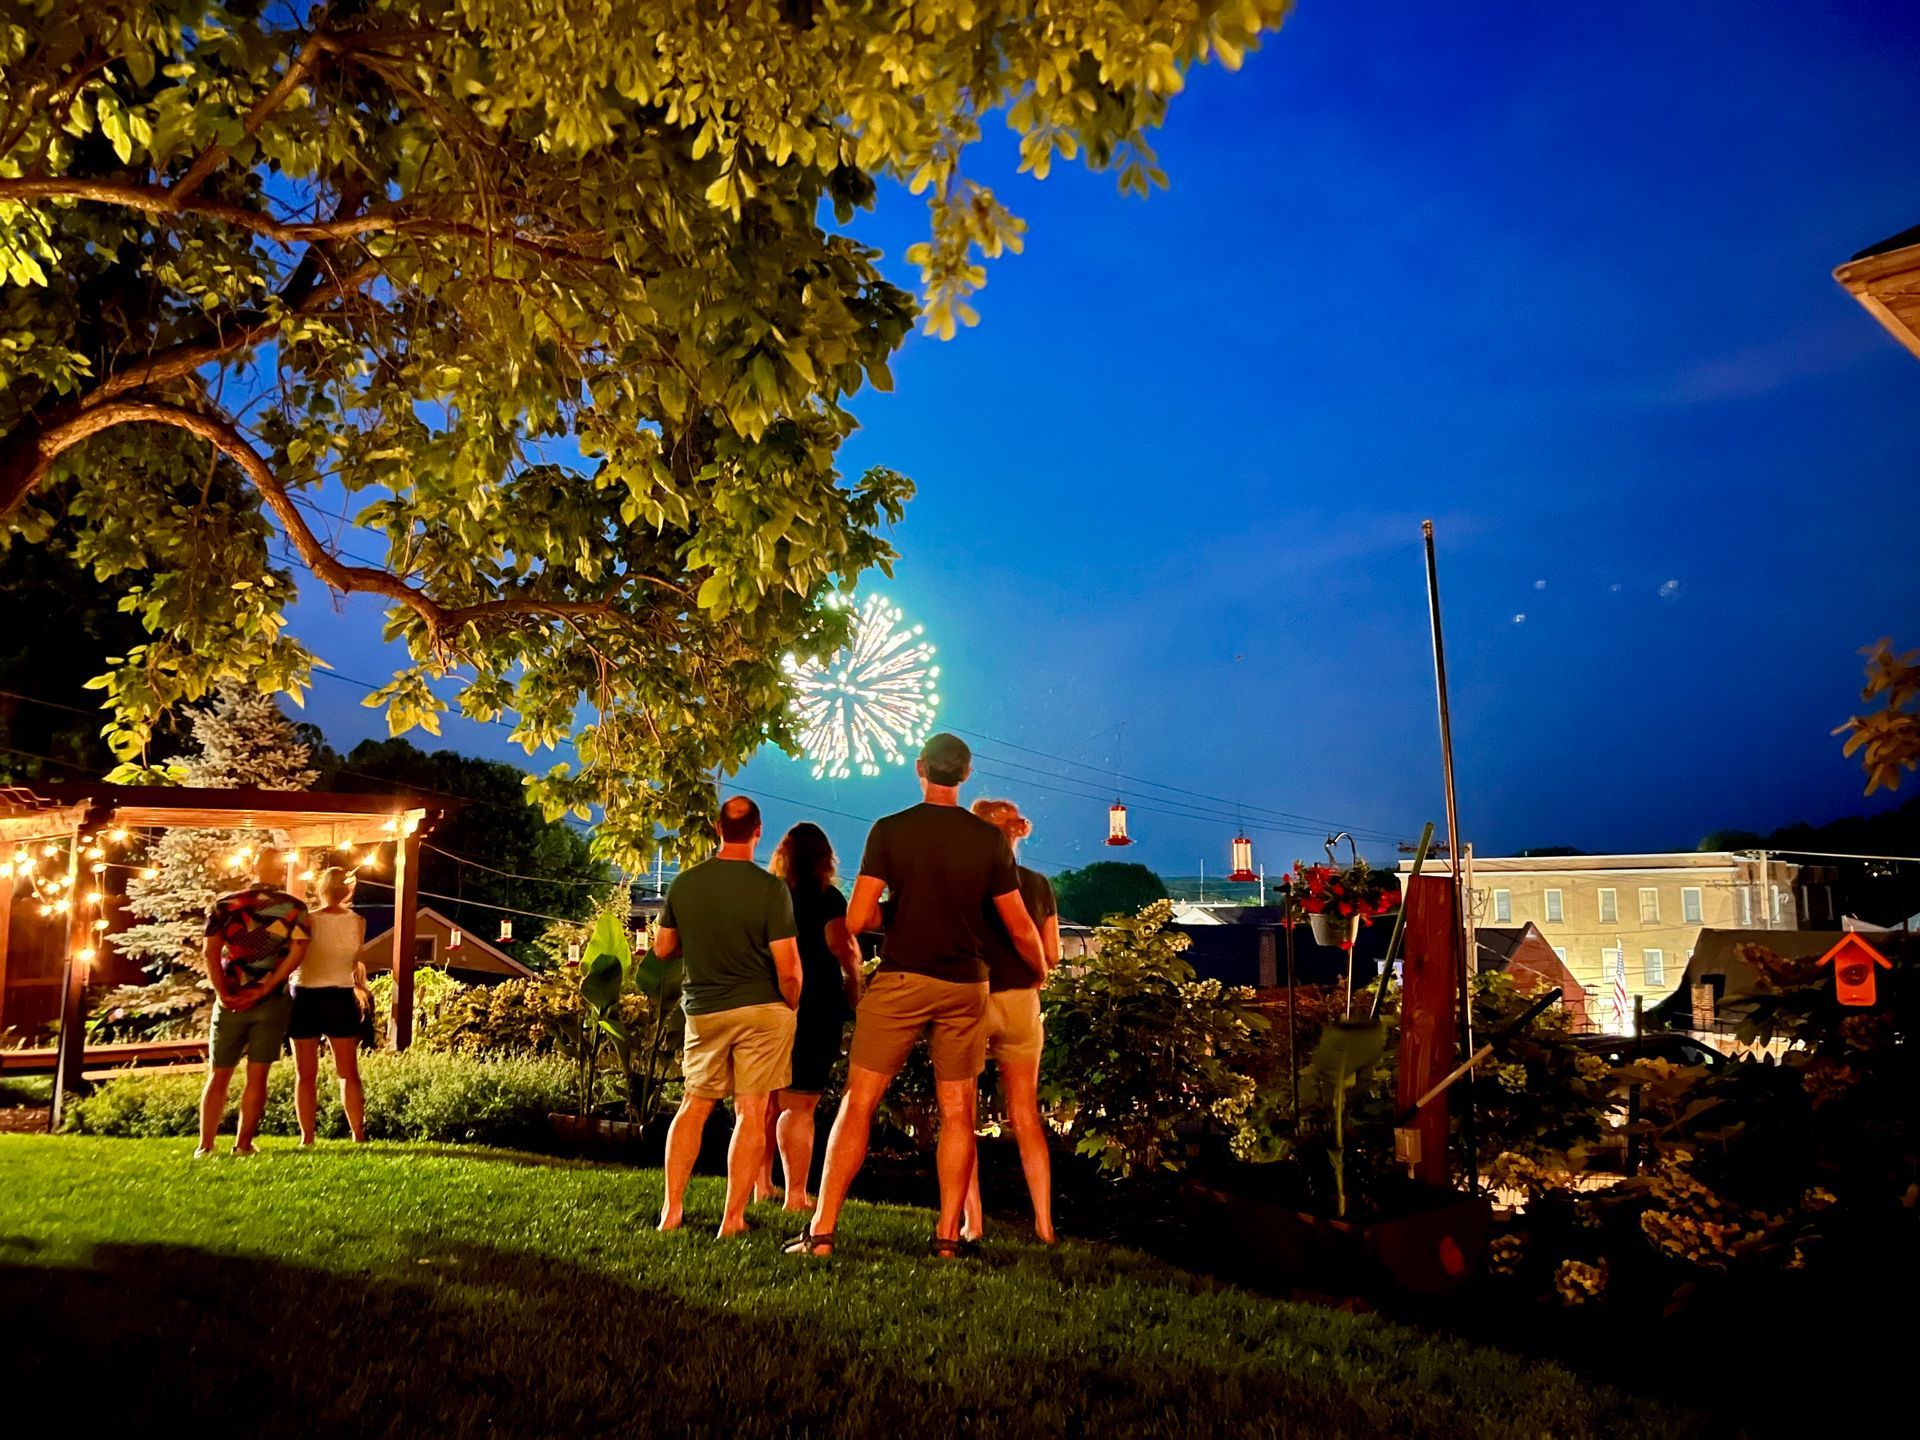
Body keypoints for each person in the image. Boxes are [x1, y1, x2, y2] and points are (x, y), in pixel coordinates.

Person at [788, 733, 1044, 1258]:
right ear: (966, 775)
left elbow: (858, 918)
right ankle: (949, 1238)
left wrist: (896, 914)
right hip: (966, 984)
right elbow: (1019, 927)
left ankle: (822, 1232)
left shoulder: (890, 830)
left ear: (920, 768)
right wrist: (1039, 969)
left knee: (859, 1102)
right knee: (958, 1113)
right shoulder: (989, 841)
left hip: (903, 978)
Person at [653, 796, 803, 1237]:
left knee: (694, 1106)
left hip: (706, 1010)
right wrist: (790, 1003)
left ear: (718, 830)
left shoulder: (685, 884)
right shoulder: (771, 889)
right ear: (758, 831)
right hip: (761, 1009)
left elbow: (662, 949)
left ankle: (672, 1212)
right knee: (751, 1112)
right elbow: (789, 967)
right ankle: (732, 1218)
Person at [962, 798, 1061, 1244]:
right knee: (1025, 1114)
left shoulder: (962, 881)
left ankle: (971, 1223)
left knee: (959, 1116)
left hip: (971, 998)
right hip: (1022, 1000)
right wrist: (1036, 969)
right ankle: (1044, 1225)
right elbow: (1053, 954)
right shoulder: (1039, 885)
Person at [757, 822, 864, 1210]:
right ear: (825, 860)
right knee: (799, 1105)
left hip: (769, 1001)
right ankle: (797, 1195)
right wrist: (855, 985)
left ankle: (761, 1185)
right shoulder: (829, 899)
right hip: (816, 1002)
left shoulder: (769, 896)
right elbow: (844, 948)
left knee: (766, 1101)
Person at [196, 845, 311, 1157]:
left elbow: (209, 953)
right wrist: (266, 988)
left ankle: (205, 1146)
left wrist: (223, 992)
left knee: (218, 1074)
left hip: (231, 998)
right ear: (281, 870)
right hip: (271, 1001)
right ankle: (243, 1144)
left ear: (252, 868)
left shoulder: (224, 905)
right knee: (257, 1076)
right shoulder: (294, 908)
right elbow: (297, 955)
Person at [289, 866, 372, 1146]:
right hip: (340, 994)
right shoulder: (358, 922)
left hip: (305, 995)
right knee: (348, 1072)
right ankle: (358, 1133)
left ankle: (307, 1137)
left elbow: (297, 956)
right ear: (347, 890)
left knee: (305, 1074)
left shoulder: (308, 920)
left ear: (320, 889)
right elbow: (353, 958)